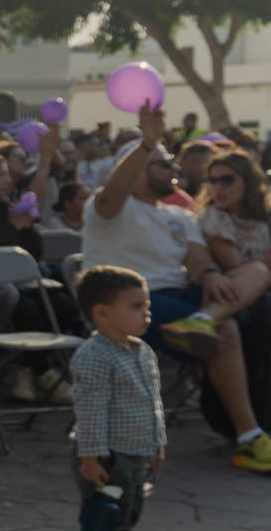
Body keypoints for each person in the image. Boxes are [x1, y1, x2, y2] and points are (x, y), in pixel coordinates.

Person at [81, 104, 271, 473]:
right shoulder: (109, 209)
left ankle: (202, 323)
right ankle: (250, 437)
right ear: (138, 167)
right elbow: (114, 191)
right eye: (164, 163)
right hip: (128, 300)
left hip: (181, 295)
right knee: (227, 328)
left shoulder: (181, 215)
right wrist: (146, 144)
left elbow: (198, 259)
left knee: (259, 274)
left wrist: (213, 275)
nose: (175, 170)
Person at [67, 266, 168, 531]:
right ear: (102, 312)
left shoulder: (141, 351)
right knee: (104, 514)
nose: (146, 313)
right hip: (108, 454)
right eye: (136, 306)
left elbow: (153, 402)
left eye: (147, 305)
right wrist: (91, 458)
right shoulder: (94, 357)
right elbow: (91, 412)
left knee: (129, 512)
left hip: (137, 450)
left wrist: (158, 444)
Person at [0, 152, 75, 402]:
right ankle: (41, 372)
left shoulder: (5, 207)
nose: (8, 180)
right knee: (28, 310)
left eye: (8, 174)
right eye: (1, 175)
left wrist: (27, 227)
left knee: (64, 307)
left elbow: (34, 253)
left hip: (21, 281)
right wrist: (13, 227)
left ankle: (27, 369)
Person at [198, 150, 270, 271]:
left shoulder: (264, 216)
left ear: (248, 181)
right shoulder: (212, 218)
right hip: (236, 285)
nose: (218, 188)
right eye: (212, 181)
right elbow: (234, 266)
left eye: (226, 180)